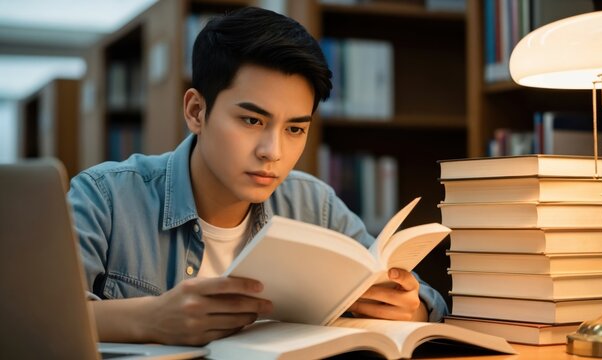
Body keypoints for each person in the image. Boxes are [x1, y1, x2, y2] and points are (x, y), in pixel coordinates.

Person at [68, 6, 448, 346]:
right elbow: (28, 321)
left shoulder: (312, 204)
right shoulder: (105, 197)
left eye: (295, 129)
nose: (273, 151)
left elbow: (429, 303)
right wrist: (150, 320)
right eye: (252, 121)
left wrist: (406, 306)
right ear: (197, 111)